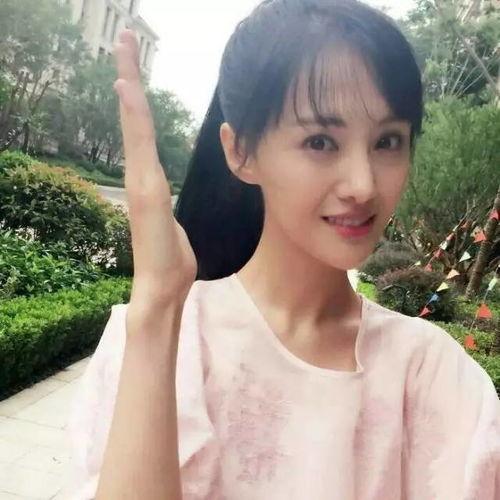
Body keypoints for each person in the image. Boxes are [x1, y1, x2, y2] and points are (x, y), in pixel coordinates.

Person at [64, 0, 500, 498]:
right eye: (320, 141)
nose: (363, 185)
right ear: (240, 151)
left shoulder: (432, 375)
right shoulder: (166, 341)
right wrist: (159, 308)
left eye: (388, 141)